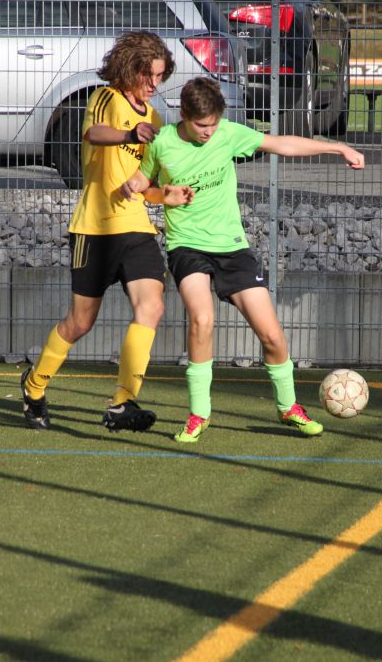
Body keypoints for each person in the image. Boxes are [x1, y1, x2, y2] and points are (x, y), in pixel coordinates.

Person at [122, 77, 364, 443]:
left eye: (214, 124)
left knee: (271, 334)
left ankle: (288, 407)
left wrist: (337, 148)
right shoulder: (163, 142)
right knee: (202, 319)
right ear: (184, 115)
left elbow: (281, 144)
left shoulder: (228, 134)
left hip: (232, 248)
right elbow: (141, 184)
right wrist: (148, 191)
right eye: (201, 125)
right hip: (186, 246)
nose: (209, 131)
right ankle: (199, 414)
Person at [20, 31, 189, 432]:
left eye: (160, 76)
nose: (155, 84)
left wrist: (168, 195)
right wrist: (130, 134)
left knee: (152, 307)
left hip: (136, 229)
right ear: (130, 69)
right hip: (94, 230)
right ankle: (34, 386)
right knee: (79, 323)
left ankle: (121, 402)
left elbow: (146, 185)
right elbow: (93, 134)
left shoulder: (155, 119)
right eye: (149, 75)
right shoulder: (105, 98)